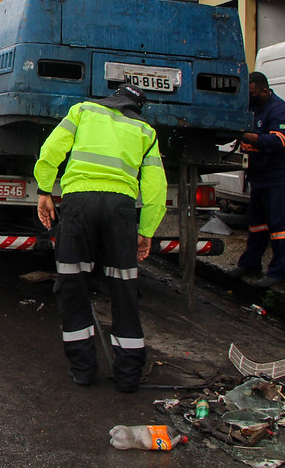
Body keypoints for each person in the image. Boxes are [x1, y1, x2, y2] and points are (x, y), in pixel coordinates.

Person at [34, 83, 167, 393]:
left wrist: (44, 189)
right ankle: (128, 376)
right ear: (137, 107)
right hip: (120, 211)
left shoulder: (83, 111)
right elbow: (156, 189)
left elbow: (51, 150)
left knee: (73, 285)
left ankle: (82, 369)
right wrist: (146, 231)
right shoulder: (146, 131)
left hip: (79, 205)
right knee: (124, 291)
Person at [228, 72, 285, 287]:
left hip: (282, 176)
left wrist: (245, 134)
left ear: (264, 90)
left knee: (281, 226)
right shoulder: (251, 108)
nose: (248, 97)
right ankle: (250, 263)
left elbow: (276, 141)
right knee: (257, 224)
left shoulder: (279, 109)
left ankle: (280, 272)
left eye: (252, 93)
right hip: (260, 176)